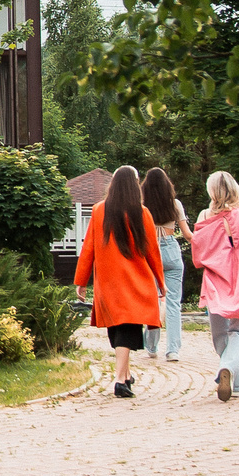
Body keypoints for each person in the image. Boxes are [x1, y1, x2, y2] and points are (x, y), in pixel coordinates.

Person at [73, 164, 163, 398]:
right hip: (135, 281)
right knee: (127, 328)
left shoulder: (99, 210)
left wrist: (81, 280)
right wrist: (160, 281)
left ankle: (124, 376)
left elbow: (88, 248)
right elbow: (153, 251)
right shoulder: (142, 212)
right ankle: (120, 379)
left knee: (118, 329)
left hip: (109, 282)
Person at [191, 170, 239, 401]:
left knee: (220, 335)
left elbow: (197, 255)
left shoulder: (204, 217)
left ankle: (234, 378)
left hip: (214, 281)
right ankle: (229, 370)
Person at [141, 167, 189, 361]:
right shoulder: (175, 204)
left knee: (152, 300)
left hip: (149, 252)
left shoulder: (142, 204)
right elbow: (186, 233)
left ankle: (151, 346)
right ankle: (173, 350)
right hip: (171, 249)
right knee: (173, 303)